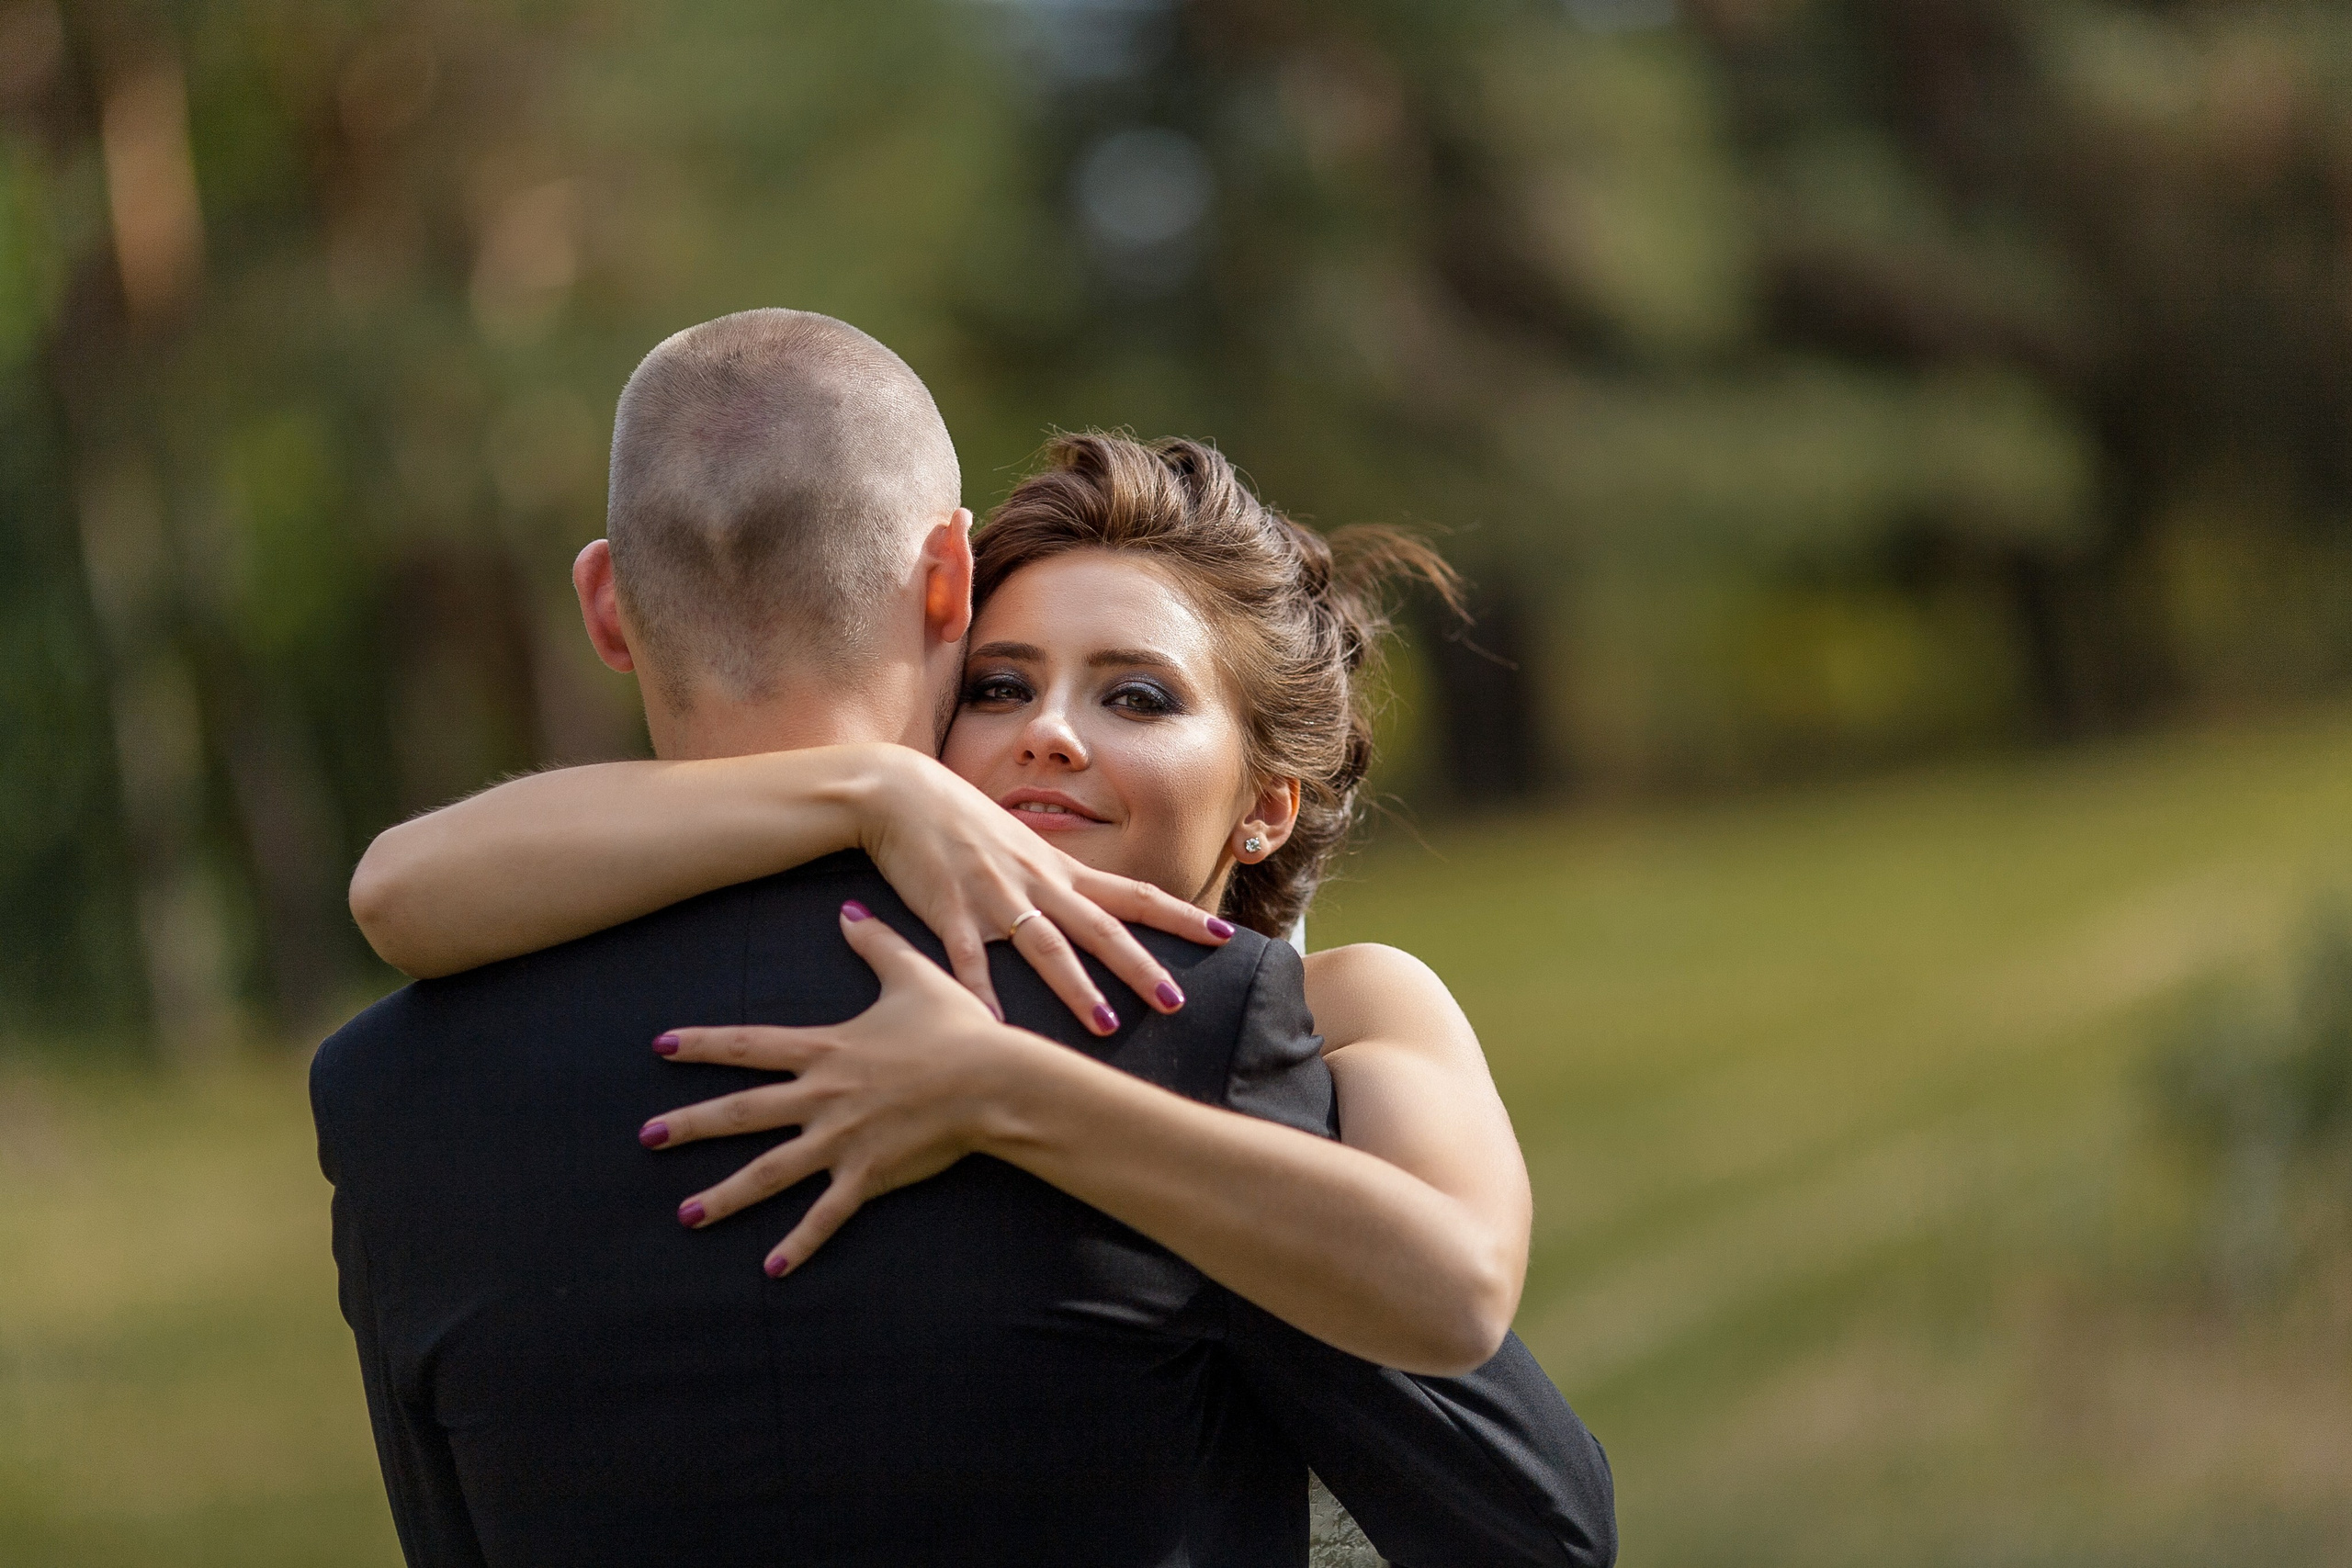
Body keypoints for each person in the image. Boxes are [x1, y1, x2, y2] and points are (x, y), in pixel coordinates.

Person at [314, 309, 1614, 1567]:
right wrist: (881, 788)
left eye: (1140, 696)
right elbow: (1536, 1521)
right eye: (1001, 686)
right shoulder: (1193, 1035)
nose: (1049, 732)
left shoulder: (386, 1089)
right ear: (945, 591)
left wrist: (1000, 1081)